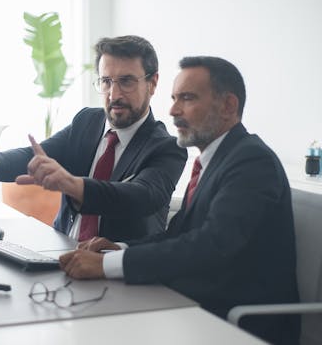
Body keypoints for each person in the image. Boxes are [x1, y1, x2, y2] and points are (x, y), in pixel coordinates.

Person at [59, 56, 300, 344]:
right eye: (174, 98)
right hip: (196, 308)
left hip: (237, 323)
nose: (173, 110)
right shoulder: (214, 160)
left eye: (187, 98)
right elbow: (178, 235)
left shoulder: (251, 162)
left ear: (228, 106)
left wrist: (106, 266)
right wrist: (116, 250)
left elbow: (210, 246)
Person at [0, 35, 187, 242]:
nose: (113, 94)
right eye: (106, 82)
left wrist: (71, 184)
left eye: (126, 81)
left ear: (152, 84)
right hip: (59, 251)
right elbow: (35, 156)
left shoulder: (167, 149)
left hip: (112, 265)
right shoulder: (87, 122)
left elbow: (138, 197)